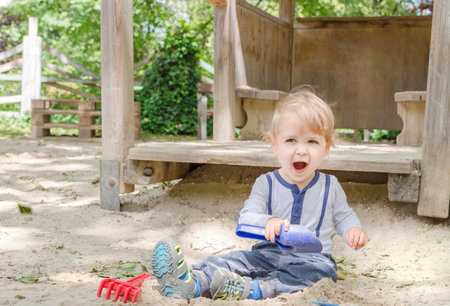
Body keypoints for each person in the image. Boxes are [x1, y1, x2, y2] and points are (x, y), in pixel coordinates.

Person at [151, 87, 369, 301]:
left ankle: (252, 289)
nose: (301, 150)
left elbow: (343, 215)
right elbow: (246, 216)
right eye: (291, 140)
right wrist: (268, 221)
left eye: (312, 141)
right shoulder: (267, 183)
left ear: (326, 147)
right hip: (266, 254)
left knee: (321, 274)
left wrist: (352, 229)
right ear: (274, 145)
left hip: (311, 259)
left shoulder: (330, 185)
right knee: (232, 261)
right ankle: (191, 283)